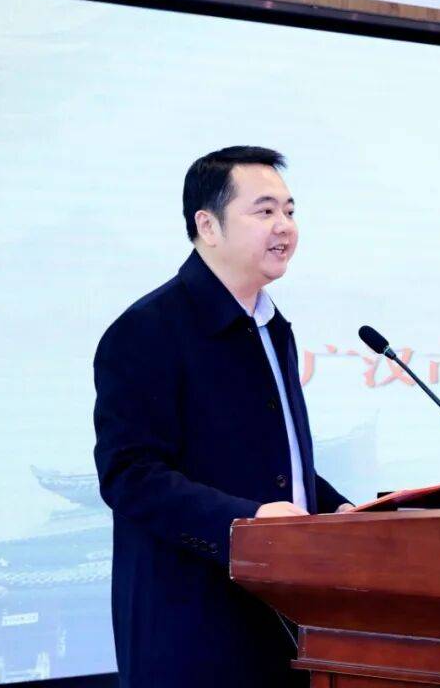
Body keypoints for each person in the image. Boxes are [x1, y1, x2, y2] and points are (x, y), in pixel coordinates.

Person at [93, 146, 353, 687]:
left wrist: (339, 509)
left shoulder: (271, 326)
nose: (284, 226)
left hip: (281, 621)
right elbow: (130, 475)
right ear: (207, 226)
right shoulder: (147, 330)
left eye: (289, 211)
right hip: (193, 629)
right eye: (265, 211)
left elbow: (271, 458)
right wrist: (248, 522)